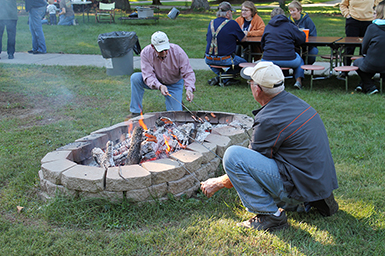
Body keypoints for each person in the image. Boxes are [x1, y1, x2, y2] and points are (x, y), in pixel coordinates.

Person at [200, 61, 339, 231]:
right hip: (319, 184)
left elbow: (247, 165)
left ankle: (270, 216)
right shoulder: (298, 104)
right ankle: (318, 200)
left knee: (233, 156)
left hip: (302, 187)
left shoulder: (269, 118)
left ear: (257, 89)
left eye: (250, 82)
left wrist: (218, 182)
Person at [127, 31, 196, 119]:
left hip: (174, 83)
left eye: (166, 49)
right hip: (156, 80)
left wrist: (189, 89)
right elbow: (148, 75)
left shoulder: (178, 51)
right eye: (160, 50)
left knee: (174, 116)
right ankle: (136, 112)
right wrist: (159, 86)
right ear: (153, 46)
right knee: (135, 78)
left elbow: (188, 72)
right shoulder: (146, 53)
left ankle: (177, 100)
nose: (164, 52)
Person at [261, 7, 306, 89]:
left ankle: (264, 82)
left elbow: (263, 44)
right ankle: (298, 81)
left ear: (271, 17)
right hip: (289, 59)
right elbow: (301, 38)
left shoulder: (268, 27)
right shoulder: (289, 25)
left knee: (261, 63)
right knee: (300, 61)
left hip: (269, 59)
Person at [205, 1, 247, 86]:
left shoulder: (211, 22)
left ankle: (222, 78)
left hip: (208, 59)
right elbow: (243, 39)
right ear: (228, 13)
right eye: (231, 12)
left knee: (216, 63)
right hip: (225, 59)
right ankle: (224, 78)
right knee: (244, 63)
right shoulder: (232, 23)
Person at [339, 0, 380, 79]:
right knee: (349, 47)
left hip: (368, 21)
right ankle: (345, 71)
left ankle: (364, 73)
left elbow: (379, 4)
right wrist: (347, 15)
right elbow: (343, 5)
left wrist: (375, 14)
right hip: (353, 21)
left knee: (365, 47)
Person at [353, 1, 385, 95]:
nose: (373, 15)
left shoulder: (372, 27)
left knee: (358, 63)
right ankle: (363, 84)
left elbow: (364, 47)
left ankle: (369, 86)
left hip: (373, 62)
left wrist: (365, 54)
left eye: (374, 13)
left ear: (379, 14)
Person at [288, 0, 318, 65]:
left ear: (299, 10)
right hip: (293, 46)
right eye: (290, 11)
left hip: (307, 46)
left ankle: (305, 64)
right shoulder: (289, 21)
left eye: (293, 10)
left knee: (314, 51)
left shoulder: (307, 20)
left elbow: (313, 35)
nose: (291, 12)